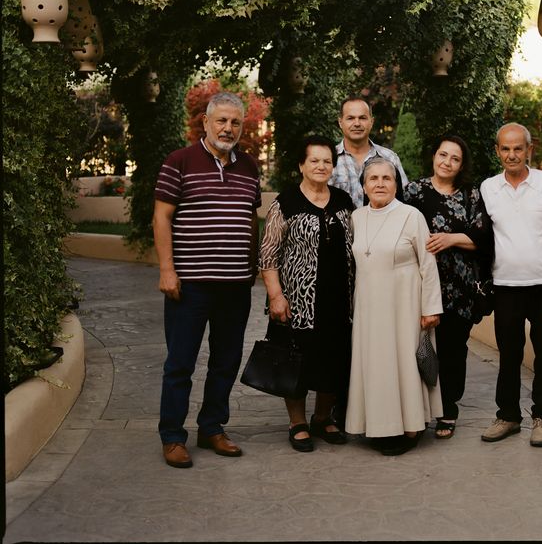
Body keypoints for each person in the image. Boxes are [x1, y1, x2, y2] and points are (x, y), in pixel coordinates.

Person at [154, 91, 262, 468]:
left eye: (235, 122)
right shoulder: (179, 161)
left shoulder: (249, 167)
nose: (228, 128)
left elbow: (251, 219)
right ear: (206, 122)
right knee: (180, 362)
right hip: (191, 284)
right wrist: (168, 269)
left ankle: (212, 427)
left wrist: (251, 268)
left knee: (226, 360)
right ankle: (172, 436)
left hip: (235, 285)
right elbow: (162, 217)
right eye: (222, 121)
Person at [259, 135, 355, 452]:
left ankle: (322, 418)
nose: (320, 166)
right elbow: (268, 255)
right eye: (314, 160)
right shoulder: (285, 202)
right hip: (298, 301)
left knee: (335, 360)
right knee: (297, 360)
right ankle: (297, 422)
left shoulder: (343, 201)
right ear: (302, 165)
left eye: (326, 161)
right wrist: (276, 295)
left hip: (340, 300)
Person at [345, 157, 443, 456]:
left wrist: (430, 308)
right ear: (363, 185)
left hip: (405, 305)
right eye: (372, 178)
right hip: (368, 308)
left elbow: (428, 264)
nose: (379, 184)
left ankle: (411, 426)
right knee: (375, 366)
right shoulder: (357, 217)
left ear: (396, 183)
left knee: (404, 364)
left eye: (386, 178)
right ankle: (378, 425)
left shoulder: (411, 215)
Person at [479, 123, 542, 447]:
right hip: (506, 285)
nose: (512, 154)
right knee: (509, 354)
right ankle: (508, 416)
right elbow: (482, 236)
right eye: (505, 148)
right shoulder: (488, 188)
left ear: (529, 150)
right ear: (498, 151)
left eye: (518, 148)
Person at [404, 134, 493, 440]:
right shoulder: (414, 191)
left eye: (455, 158)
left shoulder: (470, 194)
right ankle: (416, 408)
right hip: (419, 286)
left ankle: (447, 409)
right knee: (419, 348)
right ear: (434, 156)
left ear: (461, 164)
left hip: (460, 290)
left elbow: (483, 238)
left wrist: (452, 238)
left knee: (453, 350)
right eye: (443, 155)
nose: (447, 162)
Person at [330, 95, 408, 207]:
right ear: (340, 122)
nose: (357, 123)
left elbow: (403, 198)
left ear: (371, 122)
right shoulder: (329, 159)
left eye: (362, 118)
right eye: (350, 118)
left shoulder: (389, 158)